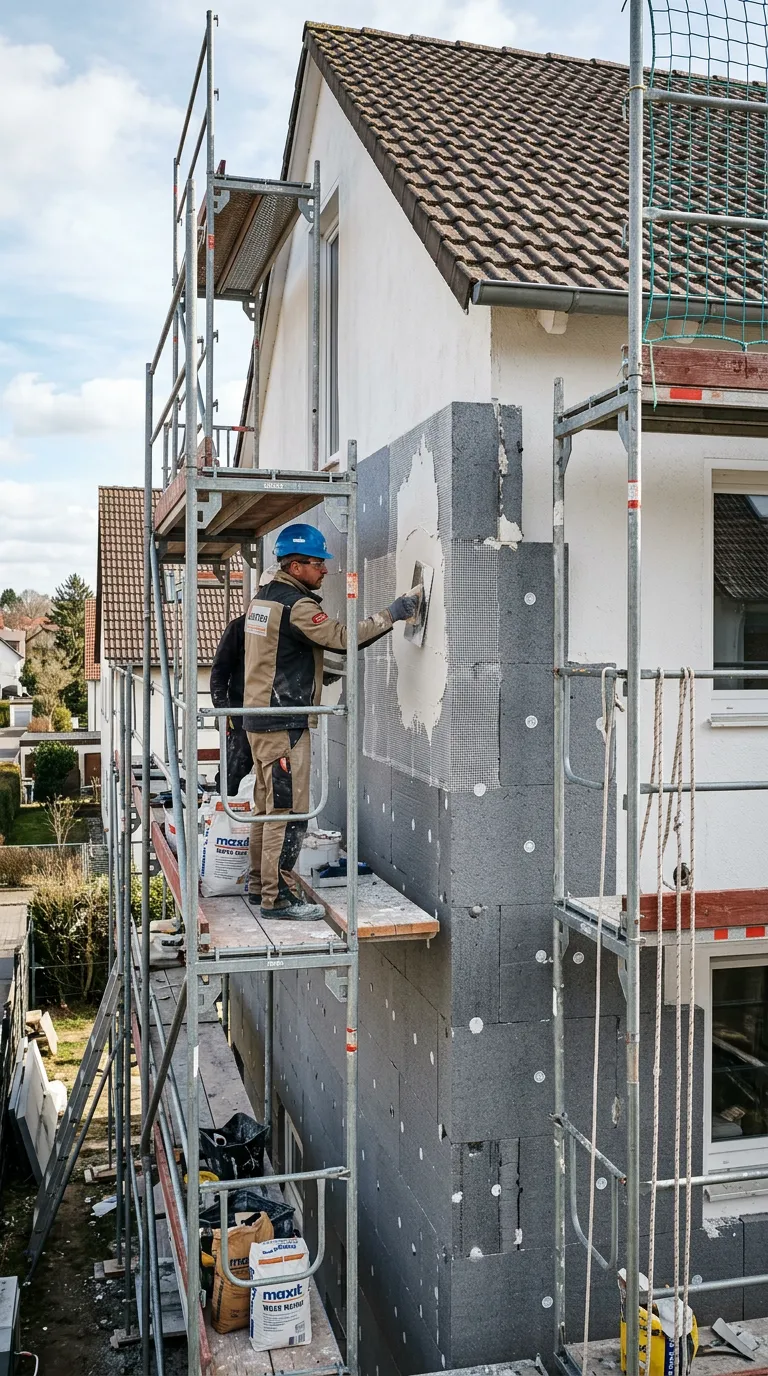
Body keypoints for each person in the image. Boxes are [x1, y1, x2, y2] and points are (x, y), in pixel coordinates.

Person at [244, 522, 421, 921]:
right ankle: (279, 897)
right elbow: (342, 637)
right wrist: (393, 613)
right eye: (318, 563)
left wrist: (315, 672)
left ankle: (259, 886)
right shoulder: (297, 605)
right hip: (283, 722)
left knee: (267, 807)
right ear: (295, 565)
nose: (325, 569)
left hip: (260, 717)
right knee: (289, 811)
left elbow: (279, 653)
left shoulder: (264, 599)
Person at [209, 611, 254, 796]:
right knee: (234, 770)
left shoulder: (286, 623)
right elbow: (219, 671)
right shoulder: (240, 627)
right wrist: (223, 710)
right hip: (239, 711)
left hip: (273, 712)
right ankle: (226, 813)